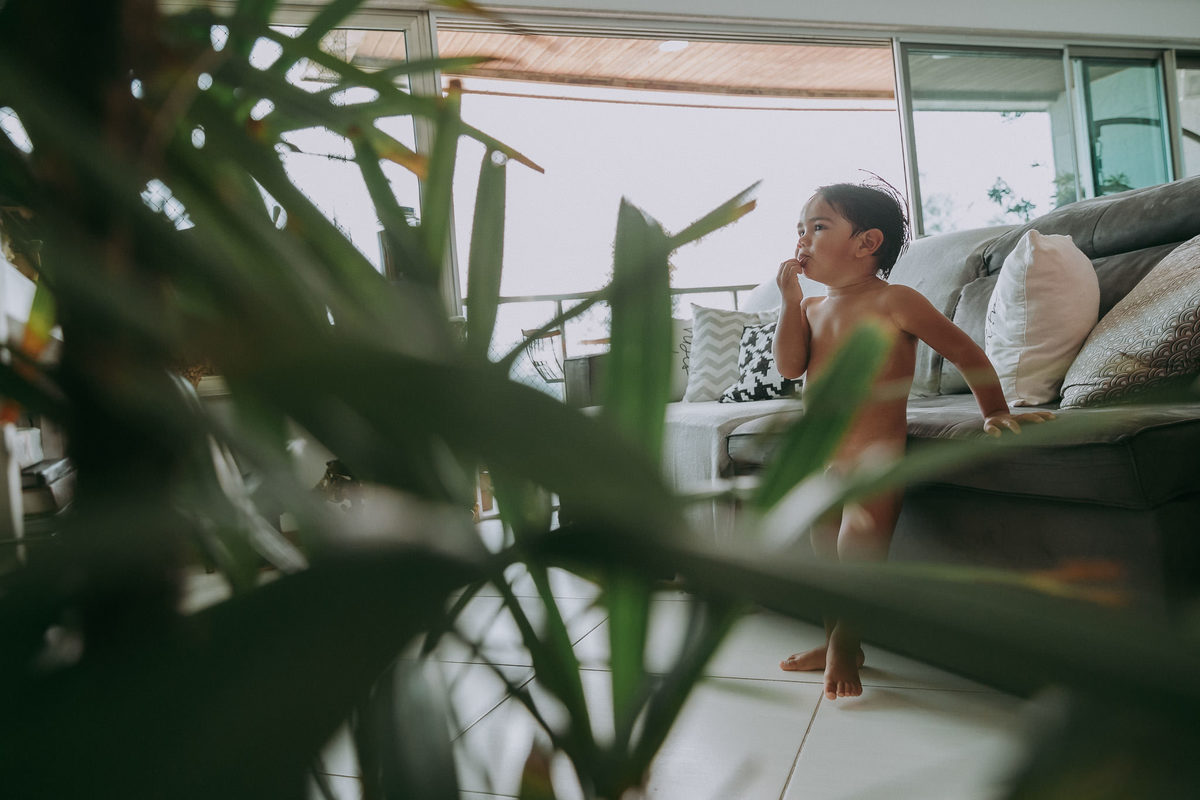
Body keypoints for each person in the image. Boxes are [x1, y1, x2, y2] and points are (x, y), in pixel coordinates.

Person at [773, 180, 1054, 700]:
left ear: (866, 243)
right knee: (824, 557)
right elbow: (790, 366)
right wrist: (790, 303)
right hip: (822, 461)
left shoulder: (894, 300)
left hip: (874, 459)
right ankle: (838, 639)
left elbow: (966, 352)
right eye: (799, 230)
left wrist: (994, 411)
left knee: (858, 549)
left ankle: (847, 641)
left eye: (817, 227)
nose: (802, 241)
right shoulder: (810, 310)